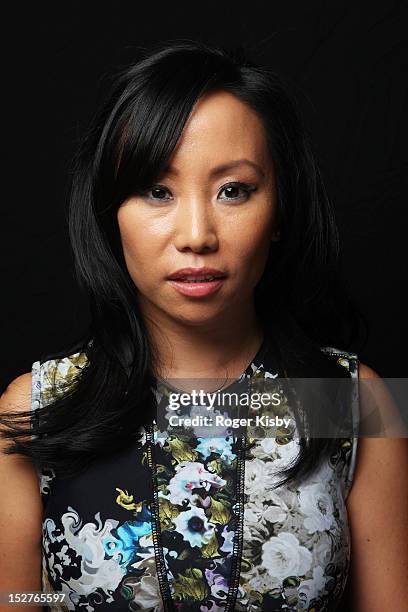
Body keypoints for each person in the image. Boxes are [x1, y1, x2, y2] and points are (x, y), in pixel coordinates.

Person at [1, 39, 407, 612]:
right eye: (156, 191)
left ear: (280, 213)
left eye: (233, 191)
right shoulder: (37, 408)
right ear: (109, 211)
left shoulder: (354, 403)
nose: (196, 234)